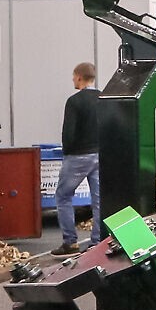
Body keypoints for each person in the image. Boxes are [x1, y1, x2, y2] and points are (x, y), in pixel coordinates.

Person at [52, 61, 102, 256]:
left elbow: (69, 133)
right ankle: (97, 242)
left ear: (79, 77)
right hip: (100, 154)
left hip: (78, 156)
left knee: (63, 196)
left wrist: (67, 153)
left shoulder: (74, 101)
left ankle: (70, 242)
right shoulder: (103, 98)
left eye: (74, 76)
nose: (72, 79)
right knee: (98, 200)